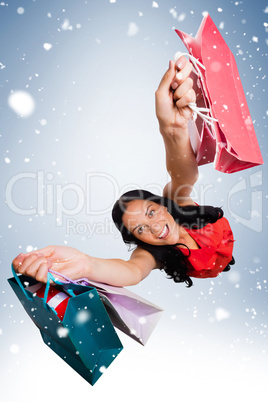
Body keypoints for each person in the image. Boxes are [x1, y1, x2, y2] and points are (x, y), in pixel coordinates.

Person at [12, 56, 235, 288]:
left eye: (151, 213)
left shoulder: (177, 202)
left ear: (162, 205)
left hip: (226, 244)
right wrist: (87, 265)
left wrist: (172, 128)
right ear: (137, 239)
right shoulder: (152, 253)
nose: (155, 227)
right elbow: (132, 271)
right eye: (140, 229)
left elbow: (183, 175)